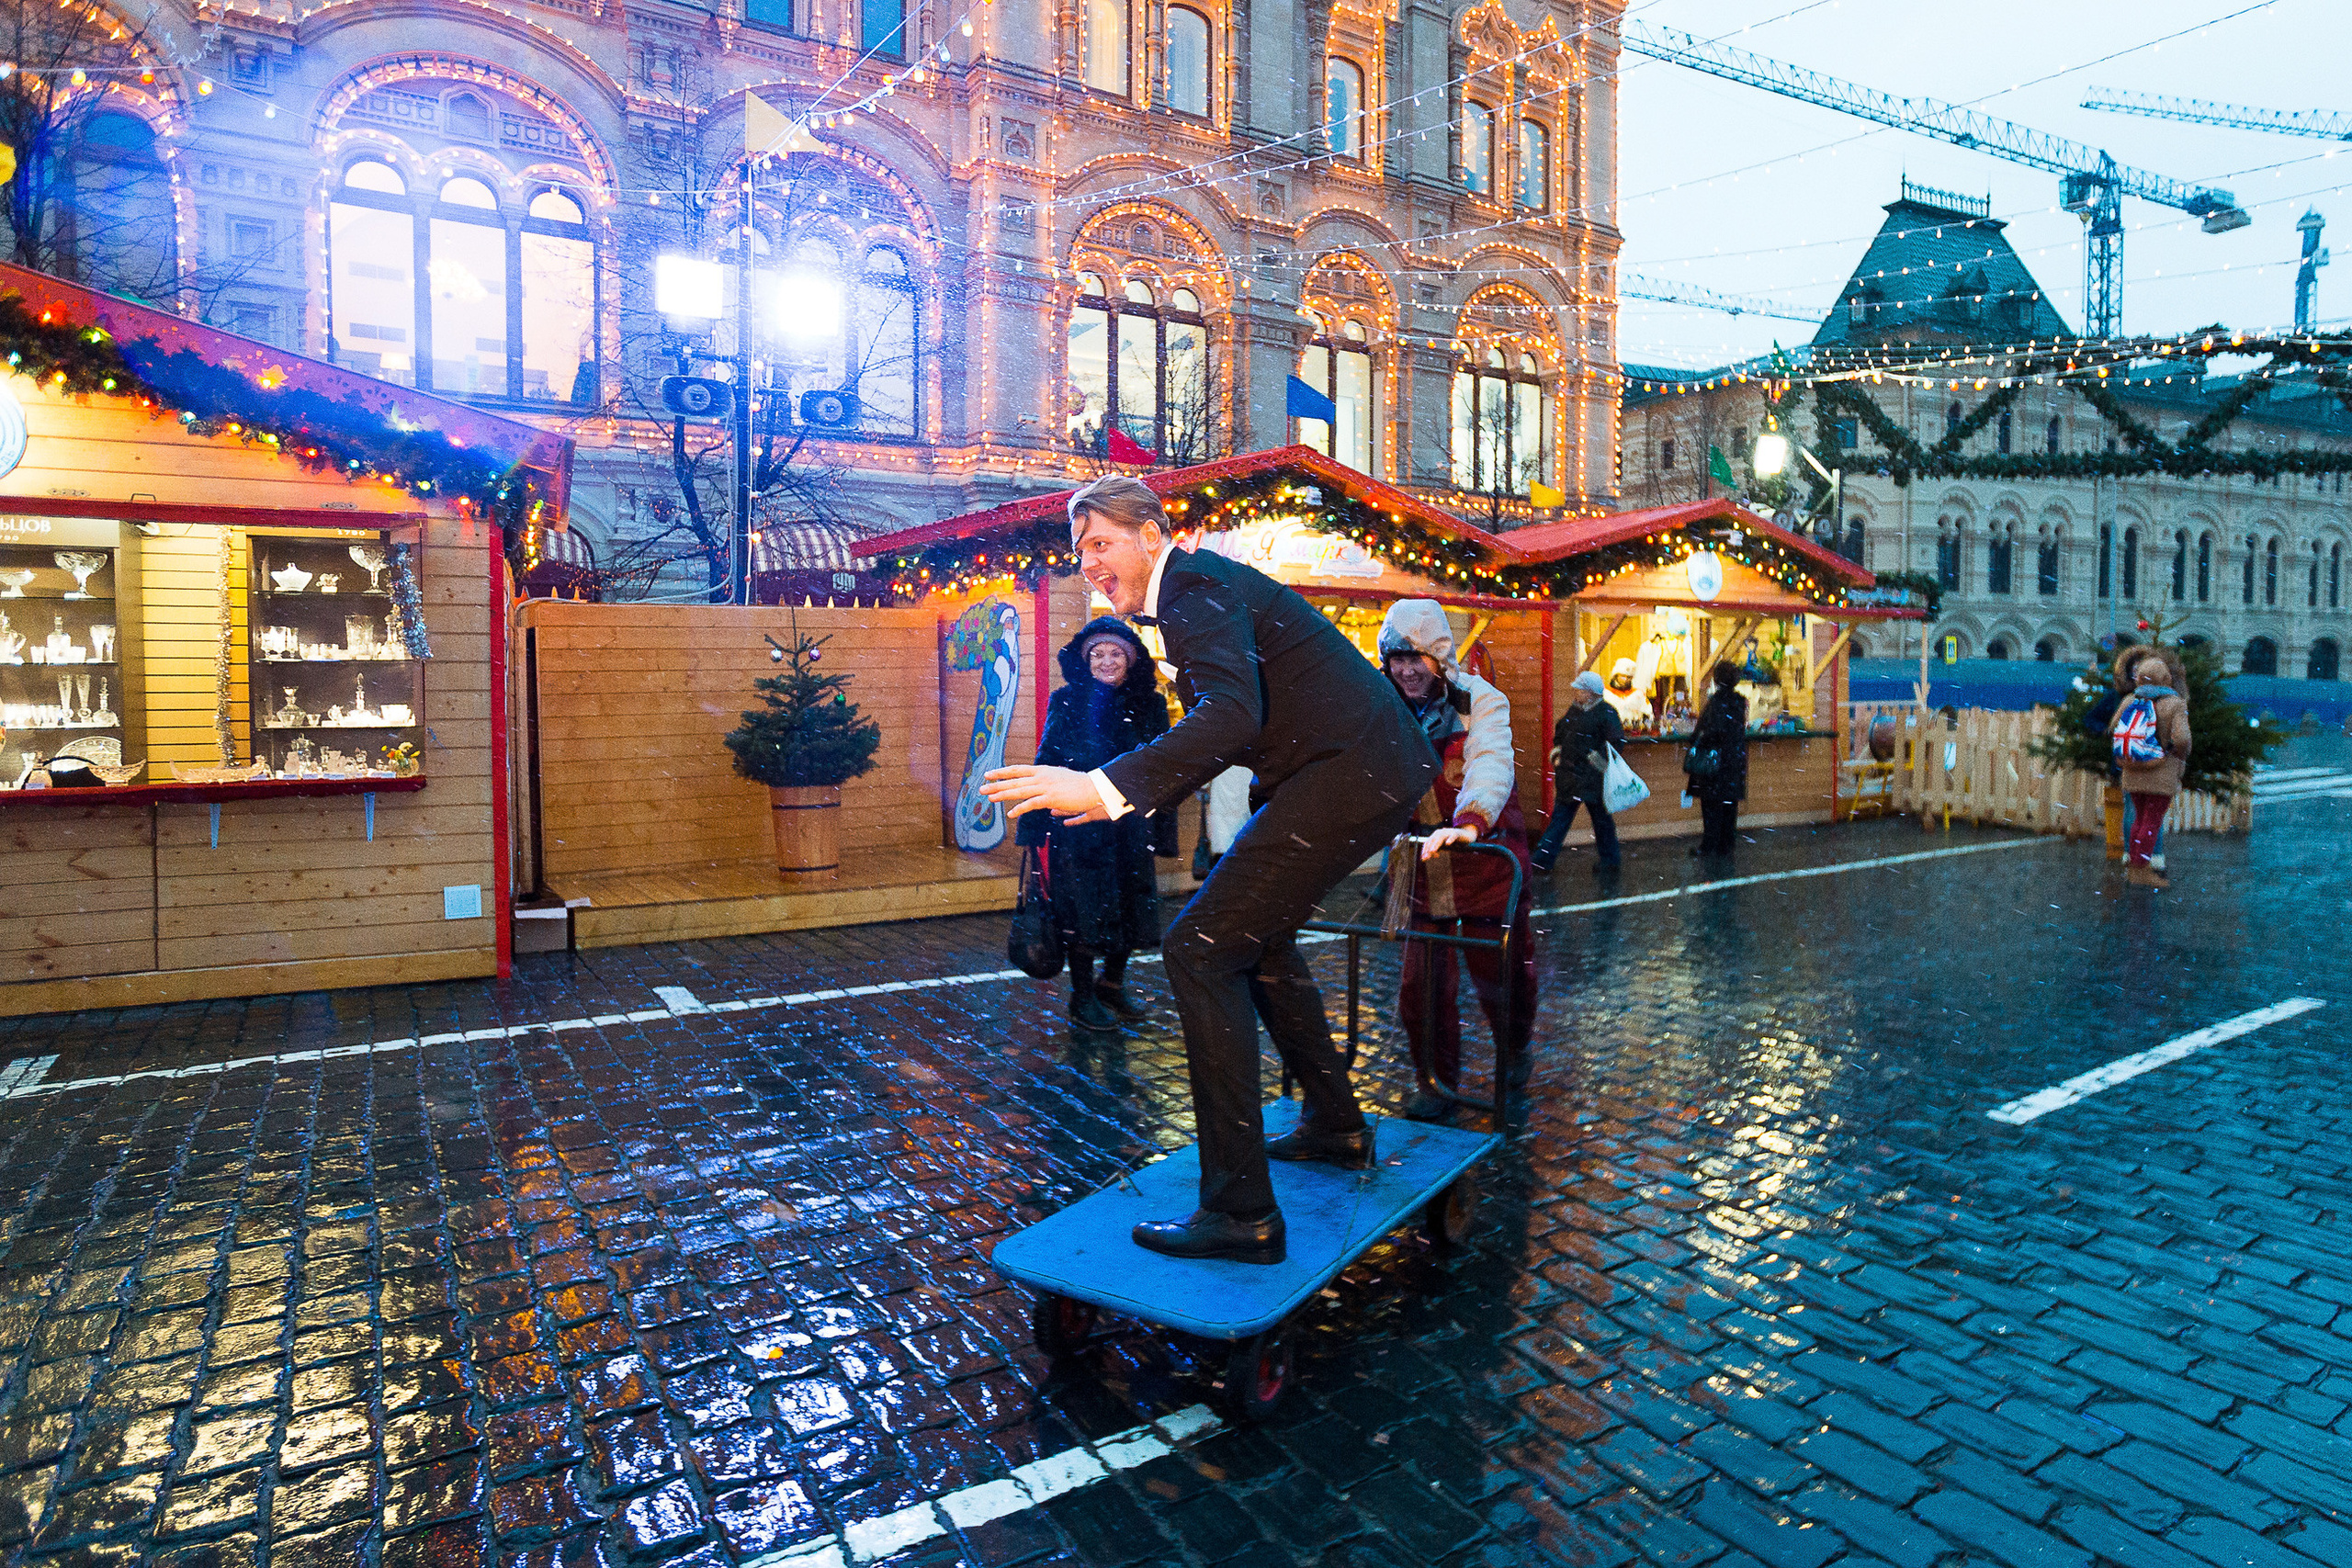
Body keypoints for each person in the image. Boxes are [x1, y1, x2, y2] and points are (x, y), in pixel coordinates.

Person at [982, 476, 1437, 1266]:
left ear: (1151, 534)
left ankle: (1241, 1212)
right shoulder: (1195, 593)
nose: (1088, 563)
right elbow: (1244, 719)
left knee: (1198, 948)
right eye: (1079, 550)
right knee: (1252, 940)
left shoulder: (1192, 591)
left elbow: (1231, 717)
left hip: (1350, 771)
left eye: (1101, 543)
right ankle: (1335, 1125)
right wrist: (1118, 793)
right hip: (1356, 770)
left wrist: (1103, 785)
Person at [1376, 602, 1537, 1120]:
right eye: (1396, 659)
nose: (1405, 670)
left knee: (1503, 972)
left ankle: (1513, 1048)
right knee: (1420, 986)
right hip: (1423, 867)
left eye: (1415, 658)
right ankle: (1436, 1080)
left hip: (1486, 860)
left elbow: (1490, 760)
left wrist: (1468, 822)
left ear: (1439, 658)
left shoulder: (1480, 701)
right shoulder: (1383, 705)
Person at [1017, 617, 1179, 1030]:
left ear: (1131, 660)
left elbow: (1165, 772)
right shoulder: (1066, 700)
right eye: (1097, 654)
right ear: (1084, 661)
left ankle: (1112, 984)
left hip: (1129, 823)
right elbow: (1047, 761)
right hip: (1077, 827)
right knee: (1083, 912)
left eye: (1116, 654)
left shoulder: (1151, 703)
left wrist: (1163, 831)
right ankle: (1082, 997)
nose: (1107, 662)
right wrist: (1035, 827)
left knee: (1130, 906)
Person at [2110, 652, 2191, 889]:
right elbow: (2183, 739)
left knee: (2138, 819)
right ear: (2166, 679)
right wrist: (2176, 753)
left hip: (2132, 768)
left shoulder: (2129, 700)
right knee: (2152, 821)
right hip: (2161, 771)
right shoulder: (2175, 703)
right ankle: (2140, 870)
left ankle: (2134, 865)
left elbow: (2114, 728)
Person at [1532, 671, 1624, 874]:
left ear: (1590, 692)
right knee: (1581, 819)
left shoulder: (1603, 713)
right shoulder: (1585, 711)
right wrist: (1558, 755)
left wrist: (1594, 761)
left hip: (1590, 778)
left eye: (1579, 689)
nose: (1575, 692)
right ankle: (1543, 861)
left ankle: (1543, 860)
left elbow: (1616, 742)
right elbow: (1561, 734)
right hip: (1575, 776)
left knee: (1587, 820)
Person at [1687, 661, 1749, 860]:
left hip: (1716, 763)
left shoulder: (1716, 702)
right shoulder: (1739, 702)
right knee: (1729, 805)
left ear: (1716, 679)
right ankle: (1726, 845)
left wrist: (1697, 739)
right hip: (1735, 760)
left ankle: (1709, 846)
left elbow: (1711, 732)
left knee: (1711, 806)